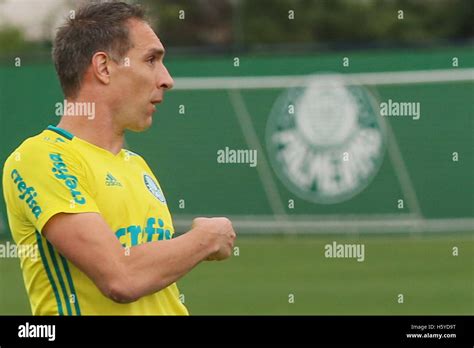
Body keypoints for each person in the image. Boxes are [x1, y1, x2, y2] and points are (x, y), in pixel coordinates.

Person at [2, 1, 236, 315]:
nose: (167, 79)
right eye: (151, 59)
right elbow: (122, 278)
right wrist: (206, 238)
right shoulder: (40, 158)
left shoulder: (136, 166)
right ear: (103, 67)